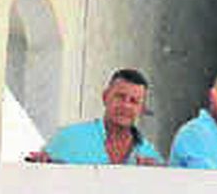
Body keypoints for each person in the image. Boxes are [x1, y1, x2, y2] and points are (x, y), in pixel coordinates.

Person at [26, 69, 163, 167]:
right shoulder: (69, 138)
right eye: (120, 97)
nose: (125, 105)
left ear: (142, 109)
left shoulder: (151, 157)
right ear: (105, 97)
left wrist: (154, 176)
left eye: (134, 101)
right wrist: (40, 167)